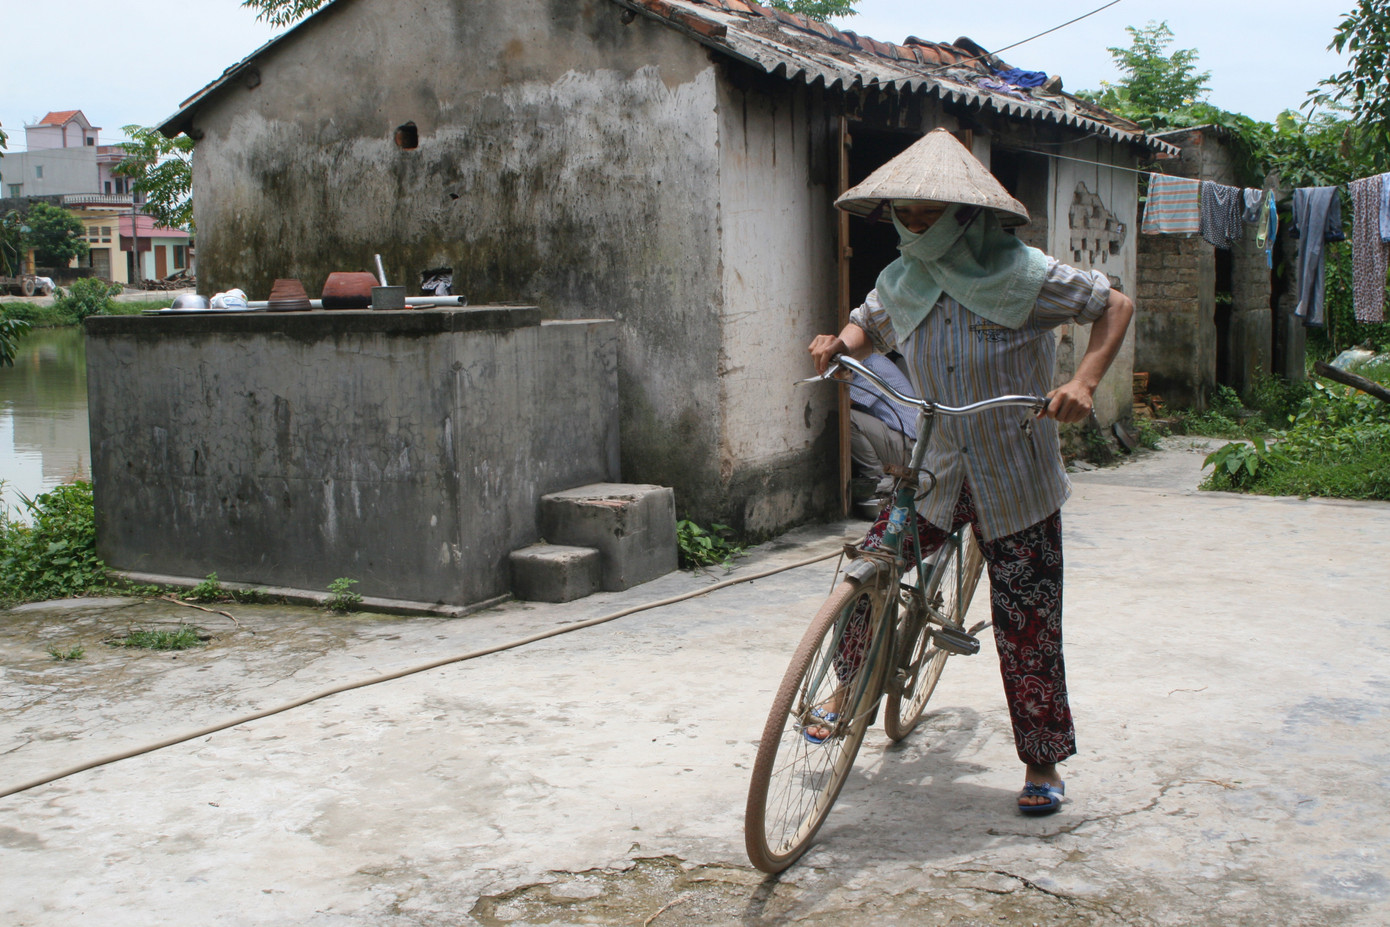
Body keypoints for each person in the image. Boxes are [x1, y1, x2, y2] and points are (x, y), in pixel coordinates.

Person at [808, 129, 1134, 816]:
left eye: (930, 212)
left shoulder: (1026, 274)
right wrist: (840, 342)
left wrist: (1084, 379)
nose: (916, 224)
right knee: (869, 567)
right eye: (906, 212)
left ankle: (1041, 758)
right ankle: (850, 685)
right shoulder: (903, 278)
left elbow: (1116, 305)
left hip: (1017, 475)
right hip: (935, 468)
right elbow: (870, 321)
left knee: (1027, 618)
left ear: (968, 215)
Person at [848, 352, 918, 496]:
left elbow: (843, 403)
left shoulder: (874, 365)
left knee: (846, 418)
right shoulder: (866, 365)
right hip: (902, 443)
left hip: (909, 448)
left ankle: (877, 478)